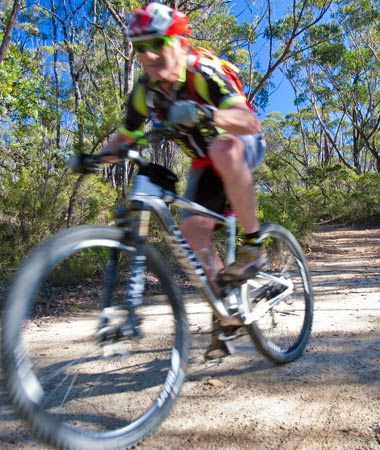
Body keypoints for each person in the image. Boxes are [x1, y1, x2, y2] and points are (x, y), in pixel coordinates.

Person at [102, 2, 266, 360]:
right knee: (192, 234)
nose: (149, 54)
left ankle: (253, 244)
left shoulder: (202, 71)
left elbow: (248, 121)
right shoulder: (145, 92)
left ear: (178, 41)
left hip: (240, 142)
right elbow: (127, 137)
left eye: (157, 43)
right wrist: (95, 156)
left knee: (223, 148)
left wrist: (207, 112)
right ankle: (226, 312)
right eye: (140, 47)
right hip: (204, 162)